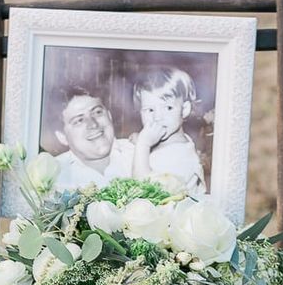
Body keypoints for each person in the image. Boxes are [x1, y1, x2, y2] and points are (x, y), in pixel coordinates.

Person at [132, 67, 206, 196]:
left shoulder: (181, 159)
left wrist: (143, 146)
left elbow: (142, 192)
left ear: (185, 110)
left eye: (168, 108)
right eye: (150, 110)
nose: (158, 117)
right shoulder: (176, 141)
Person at [52, 86, 134, 190]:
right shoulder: (53, 177)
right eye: (79, 120)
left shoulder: (140, 152)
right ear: (62, 136)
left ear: (109, 115)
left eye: (97, 112)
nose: (93, 124)